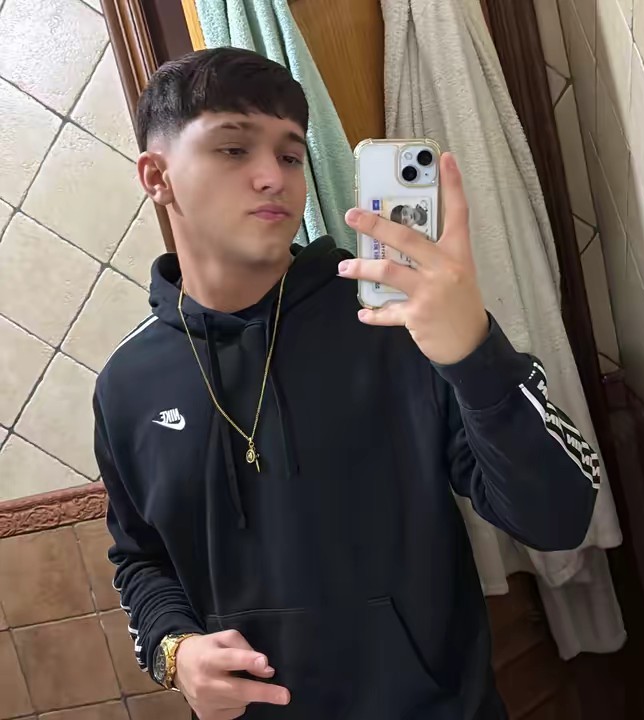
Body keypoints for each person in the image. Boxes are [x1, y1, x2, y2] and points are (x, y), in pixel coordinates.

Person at [93, 47, 600, 720]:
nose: (273, 177)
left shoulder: (395, 325)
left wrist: (474, 352)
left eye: (290, 155)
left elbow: (559, 518)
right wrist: (175, 651)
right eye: (234, 149)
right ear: (157, 177)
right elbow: (141, 559)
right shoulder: (126, 386)